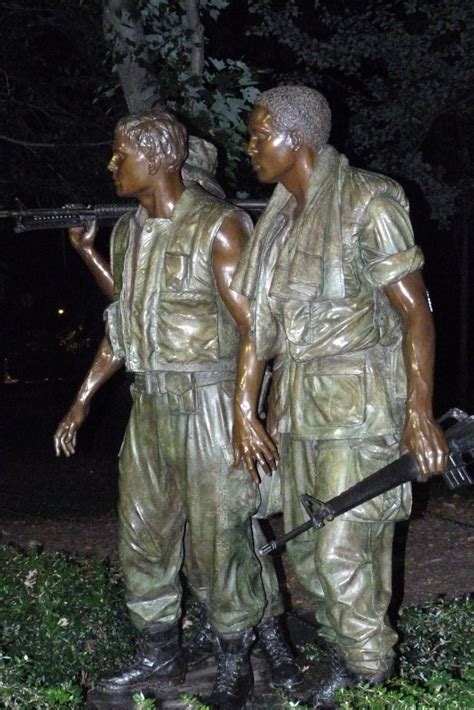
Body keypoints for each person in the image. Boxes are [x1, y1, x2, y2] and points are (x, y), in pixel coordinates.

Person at [54, 111, 301, 709]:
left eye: (121, 154)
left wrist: (246, 412)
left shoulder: (219, 227)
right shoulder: (126, 234)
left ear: (161, 156)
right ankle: (157, 652)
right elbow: (124, 330)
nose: (112, 165)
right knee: (143, 536)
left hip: (211, 403)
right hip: (151, 406)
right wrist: (80, 404)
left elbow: (257, 331)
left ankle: (234, 653)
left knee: (220, 541)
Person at [232, 86, 449, 706]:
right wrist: (245, 411)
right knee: (303, 553)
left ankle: (371, 675)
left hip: (360, 408)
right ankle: (343, 657)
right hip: (299, 408)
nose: (249, 148)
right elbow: (258, 330)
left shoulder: (367, 200)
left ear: (296, 138)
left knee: (342, 549)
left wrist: (419, 412)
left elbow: (416, 315)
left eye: (258, 135)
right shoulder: (276, 222)